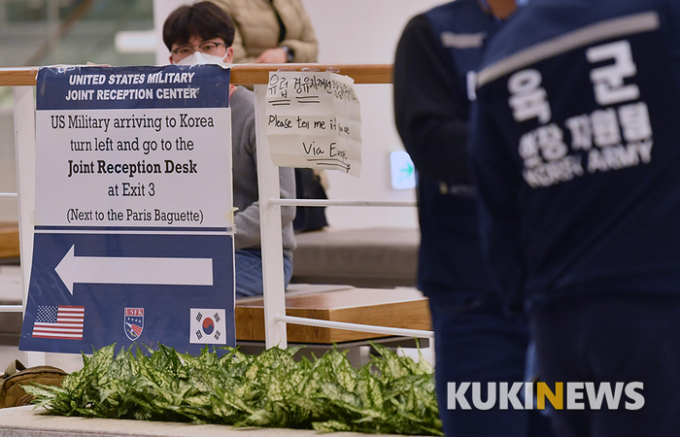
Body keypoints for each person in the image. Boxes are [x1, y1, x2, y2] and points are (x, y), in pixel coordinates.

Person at [470, 0, 680, 436]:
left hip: (557, 322)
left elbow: (496, 204)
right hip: (654, 303)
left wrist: (526, 300)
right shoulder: (659, 16)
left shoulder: (503, 52)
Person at [393, 1, 552, 436]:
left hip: (562, 294)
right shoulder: (432, 33)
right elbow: (431, 144)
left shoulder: (566, 26)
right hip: (472, 296)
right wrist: (536, 149)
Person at [163, 2, 296, 298]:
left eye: (209, 46)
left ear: (229, 54)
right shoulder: (166, 121)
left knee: (185, 290)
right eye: (184, 49)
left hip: (258, 257)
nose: (197, 56)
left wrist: (216, 234)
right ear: (172, 61)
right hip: (191, 255)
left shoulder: (260, 114)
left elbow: (282, 205)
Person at [211, 0, 318, 64]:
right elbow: (233, 62)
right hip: (251, 91)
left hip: (297, 87)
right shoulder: (222, 3)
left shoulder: (292, 2)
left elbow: (313, 48)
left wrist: (287, 52)